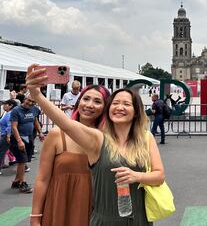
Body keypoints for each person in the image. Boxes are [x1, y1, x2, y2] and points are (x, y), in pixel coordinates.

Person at [26, 64, 165, 226]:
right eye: (115, 103)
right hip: (95, 214)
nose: (120, 107)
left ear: (136, 111)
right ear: (109, 109)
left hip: (135, 217)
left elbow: (159, 175)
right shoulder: (98, 139)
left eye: (127, 104)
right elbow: (65, 123)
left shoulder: (144, 137)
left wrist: (137, 176)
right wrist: (37, 95)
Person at [31, 85, 110, 226]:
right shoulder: (57, 134)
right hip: (59, 207)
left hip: (94, 210)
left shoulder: (107, 139)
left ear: (105, 107)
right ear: (78, 102)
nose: (89, 105)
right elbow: (43, 179)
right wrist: (35, 217)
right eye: (85, 99)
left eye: (97, 101)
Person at [9, 94, 44, 193]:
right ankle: (22, 183)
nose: (30, 103)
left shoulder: (34, 109)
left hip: (29, 138)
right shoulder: (16, 110)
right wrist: (19, 141)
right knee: (22, 161)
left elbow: (35, 121)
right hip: (17, 139)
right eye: (29, 100)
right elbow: (14, 127)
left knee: (24, 160)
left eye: (33, 102)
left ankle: (16, 181)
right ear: (25, 99)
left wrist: (40, 132)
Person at [0, 99, 18, 175]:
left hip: (6, 136)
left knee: (1, 152)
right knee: (14, 151)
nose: (3, 106)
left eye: (5, 104)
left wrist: (8, 136)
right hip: (5, 135)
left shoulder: (10, 114)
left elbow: (10, 126)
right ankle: (24, 165)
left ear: (11, 106)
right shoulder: (6, 113)